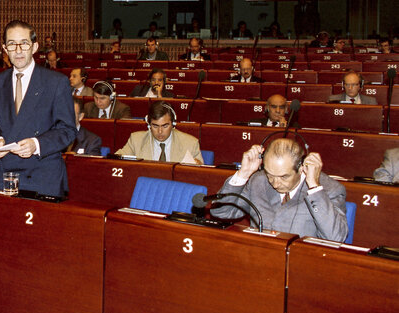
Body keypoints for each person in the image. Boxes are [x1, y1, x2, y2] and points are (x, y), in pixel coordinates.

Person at [0, 20, 76, 197]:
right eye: (12, 44)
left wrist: (36, 144)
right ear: (4, 49)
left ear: (35, 47)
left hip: (43, 175)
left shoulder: (56, 82)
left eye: (24, 43)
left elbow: (68, 130)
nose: (18, 50)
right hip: (7, 175)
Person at [210, 139, 348, 242]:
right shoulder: (258, 181)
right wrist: (244, 173)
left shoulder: (328, 189)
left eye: (284, 176)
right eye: (269, 174)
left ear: (301, 168)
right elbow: (221, 212)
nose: (275, 183)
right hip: (258, 259)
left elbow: (336, 238)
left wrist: (314, 187)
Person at [115, 101, 203, 164]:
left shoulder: (190, 143)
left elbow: (200, 175)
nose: (160, 131)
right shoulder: (136, 140)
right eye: (155, 126)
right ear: (149, 125)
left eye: (165, 126)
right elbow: (117, 160)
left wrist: (198, 166)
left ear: (173, 124)